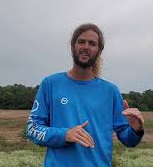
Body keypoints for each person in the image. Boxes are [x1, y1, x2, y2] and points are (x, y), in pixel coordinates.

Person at [27, 23, 144, 167]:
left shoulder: (111, 91)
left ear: (99, 50)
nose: (86, 47)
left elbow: (129, 140)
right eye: (81, 41)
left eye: (92, 43)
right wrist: (64, 134)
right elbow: (32, 129)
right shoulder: (50, 84)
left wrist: (136, 129)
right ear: (72, 46)